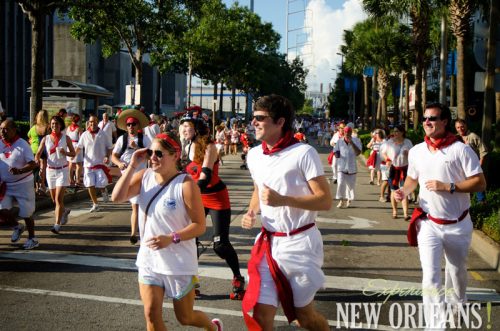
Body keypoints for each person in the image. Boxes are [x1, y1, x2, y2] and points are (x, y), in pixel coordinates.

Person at [111, 132, 223, 331]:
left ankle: (213, 328)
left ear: (175, 155)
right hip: (149, 260)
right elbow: (117, 196)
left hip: (178, 263)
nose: (153, 157)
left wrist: (171, 238)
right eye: (151, 152)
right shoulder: (144, 176)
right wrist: (133, 164)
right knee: (151, 315)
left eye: (159, 154)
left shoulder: (186, 185)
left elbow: (200, 225)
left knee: (185, 317)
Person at [241, 94, 332, 331]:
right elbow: (259, 188)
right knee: (260, 316)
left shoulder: (304, 153)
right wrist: (252, 211)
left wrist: (283, 200)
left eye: (261, 118)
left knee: (305, 318)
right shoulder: (254, 154)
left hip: (300, 243)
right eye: (253, 117)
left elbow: (324, 200)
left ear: (280, 122)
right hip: (268, 243)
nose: (254, 123)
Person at [395, 103, 486, 330]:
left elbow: (480, 182)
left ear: (445, 121)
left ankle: (459, 301)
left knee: (456, 271)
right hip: (429, 224)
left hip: (458, 224)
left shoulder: (461, 150)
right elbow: (412, 179)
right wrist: (403, 191)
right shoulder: (416, 151)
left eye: (432, 118)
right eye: (425, 118)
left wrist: (449, 186)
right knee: (430, 276)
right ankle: (435, 325)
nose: (427, 122)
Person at [183, 115, 245, 300]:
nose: (184, 130)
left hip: (216, 198)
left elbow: (206, 176)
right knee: (189, 242)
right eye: (183, 127)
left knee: (220, 245)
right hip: (197, 198)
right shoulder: (186, 146)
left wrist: (192, 191)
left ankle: (238, 278)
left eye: (187, 127)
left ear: (197, 129)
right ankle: (192, 282)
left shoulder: (209, 147)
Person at [112, 108, 151, 245]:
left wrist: (136, 148)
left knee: (142, 205)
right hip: (127, 176)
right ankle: (135, 233)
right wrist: (119, 164)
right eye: (128, 125)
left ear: (138, 126)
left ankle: (140, 233)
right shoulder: (121, 139)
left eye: (133, 124)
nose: (131, 127)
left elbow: (151, 155)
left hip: (142, 176)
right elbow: (114, 156)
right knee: (135, 206)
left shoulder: (144, 139)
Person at [0, 119, 39, 249]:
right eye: (1, 129)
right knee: (1, 209)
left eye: (6, 129)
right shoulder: (0, 143)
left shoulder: (22, 144)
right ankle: (17, 226)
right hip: (6, 184)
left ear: (14, 129)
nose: (2, 131)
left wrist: (19, 170)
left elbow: (33, 164)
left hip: (23, 183)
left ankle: (32, 238)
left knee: (26, 213)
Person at [35, 116, 75, 234]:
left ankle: (56, 225)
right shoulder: (45, 139)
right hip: (50, 171)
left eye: (56, 124)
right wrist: (36, 159)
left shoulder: (66, 138)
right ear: (50, 125)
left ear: (60, 125)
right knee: (54, 200)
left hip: (62, 170)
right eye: (52, 124)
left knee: (58, 199)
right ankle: (64, 210)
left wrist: (65, 152)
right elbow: (38, 153)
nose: (54, 126)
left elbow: (73, 153)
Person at [73, 114, 113, 212]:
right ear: (88, 123)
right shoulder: (85, 134)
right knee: (89, 185)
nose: (92, 123)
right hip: (88, 164)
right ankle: (95, 204)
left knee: (100, 185)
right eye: (90, 122)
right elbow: (79, 147)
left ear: (97, 122)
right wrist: (73, 155)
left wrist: (107, 156)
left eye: (94, 121)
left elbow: (109, 147)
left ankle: (104, 191)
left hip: (100, 164)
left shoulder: (103, 134)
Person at [382, 124, 413, 220]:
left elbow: (413, 155)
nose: (394, 133)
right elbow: (383, 152)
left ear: (402, 132)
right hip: (393, 169)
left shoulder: (407, 142)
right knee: (394, 191)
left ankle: (405, 214)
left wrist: (407, 153)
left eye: (397, 131)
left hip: (404, 169)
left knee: (404, 191)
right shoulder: (390, 142)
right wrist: (387, 159)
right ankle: (394, 211)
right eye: (394, 131)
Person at [454, 119, 488, 203]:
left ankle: (482, 204)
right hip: (461, 167)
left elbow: (483, 150)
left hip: (474, 166)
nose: (460, 129)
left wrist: (480, 163)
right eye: (458, 127)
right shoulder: (456, 138)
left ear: (465, 126)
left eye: (462, 127)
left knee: (477, 184)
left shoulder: (473, 136)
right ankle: (468, 204)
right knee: (466, 186)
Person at [333, 126, 362, 208]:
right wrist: (336, 154)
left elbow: (358, 153)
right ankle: (341, 200)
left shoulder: (356, 140)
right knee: (340, 183)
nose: (346, 134)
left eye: (348, 132)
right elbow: (335, 151)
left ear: (351, 133)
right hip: (341, 166)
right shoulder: (339, 141)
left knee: (350, 185)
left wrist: (352, 143)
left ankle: (349, 199)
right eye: (345, 132)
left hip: (351, 166)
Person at [27, 109, 50, 195]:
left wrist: (32, 141)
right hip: (43, 150)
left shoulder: (33, 128)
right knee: (42, 168)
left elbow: (28, 136)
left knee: (36, 169)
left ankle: (36, 187)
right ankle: (42, 185)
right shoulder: (47, 127)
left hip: (33, 150)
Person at [66, 113, 83, 187]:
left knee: (70, 164)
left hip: (70, 146)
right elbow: (81, 139)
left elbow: (66, 137)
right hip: (77, 145)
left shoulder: (68, 128)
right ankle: (77, 180)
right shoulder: (79, 128)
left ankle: (70, 180)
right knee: (78, 164)